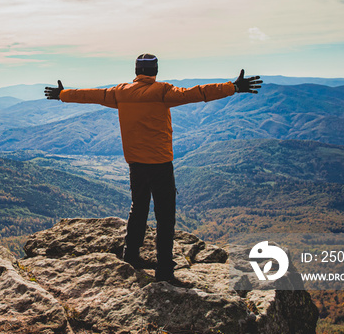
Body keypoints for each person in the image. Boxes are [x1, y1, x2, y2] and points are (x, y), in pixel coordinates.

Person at [44, 54, 262, 282]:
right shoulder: (163, 91)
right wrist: (232, 87)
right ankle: (165, 269)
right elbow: (199, 92)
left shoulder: (121, 92)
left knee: (138, 208)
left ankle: (131, 255)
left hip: (136, 164)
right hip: (160, 164)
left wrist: (63, 94)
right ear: (155, 71)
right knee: (165, 217)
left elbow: (90, 95)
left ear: (137, 71)